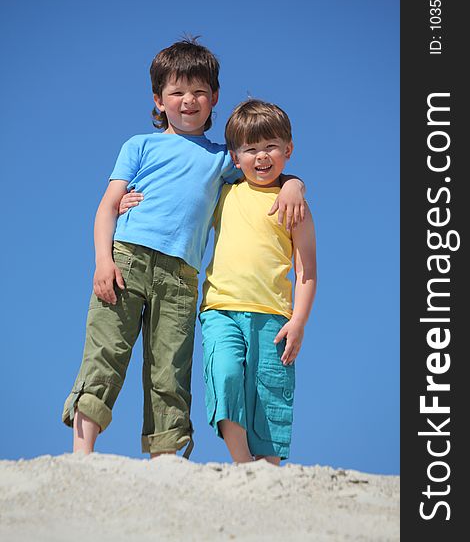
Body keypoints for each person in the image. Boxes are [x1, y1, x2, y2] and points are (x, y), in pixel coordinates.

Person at [62, 38, 305, 459]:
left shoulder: (221, 159)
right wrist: (103, 259)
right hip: (127, 260)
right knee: (106, 351)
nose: (188, 100)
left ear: (213, 99)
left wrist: (296, 183)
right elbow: (106, 207)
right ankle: (81, 454)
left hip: (180, 277)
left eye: (198, 92)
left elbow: (262, 165)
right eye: (176, 92)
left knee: (170, 369)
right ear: (158, 100)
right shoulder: (138, 146)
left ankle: (166, 459)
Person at [199, 99, 317, 464]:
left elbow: (307, 270)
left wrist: (298, 321)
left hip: (274, 317)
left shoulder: (294, 206)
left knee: (270, 397)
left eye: (270, 147)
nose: (261, 156)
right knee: (226, 372)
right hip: (221, 309)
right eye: (250, 149)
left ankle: (266, 473)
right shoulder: (224, 193)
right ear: (235, 157)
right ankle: (241, 463)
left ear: (288, 149)